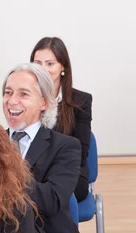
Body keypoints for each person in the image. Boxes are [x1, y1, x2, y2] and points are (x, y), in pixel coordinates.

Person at [2, 63, 89, 233]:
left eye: (23, 94)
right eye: (8, 92)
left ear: (44, 103)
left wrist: (4, 174)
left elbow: (52, 200)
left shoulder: (65, 147)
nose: (12, 101)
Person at [31, 37, 93, 202]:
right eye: (37, 63)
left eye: (50, 64)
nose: (43, 70)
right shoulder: (25, 98)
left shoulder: (81, 101)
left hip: (69, 172)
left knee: (45, 196)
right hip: (33, 172)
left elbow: (81, 151)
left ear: (62, 67)